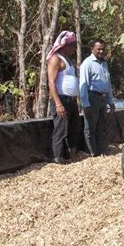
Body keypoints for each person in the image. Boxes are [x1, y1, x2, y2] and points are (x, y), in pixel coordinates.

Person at [47, 30, 80, 164]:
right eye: (72, 45)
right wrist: (58, 104)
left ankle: (72, 155)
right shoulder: (56, 59)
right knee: (60, 130)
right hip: (61, 99)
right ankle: (58, 158)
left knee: (74, 128)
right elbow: (51, 82)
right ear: (64, 45)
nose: (74, 48)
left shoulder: (68, 60)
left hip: (71, 100)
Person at [79, 38, 116, 156]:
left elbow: (108, 84)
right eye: (98, 49)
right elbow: (83, 85)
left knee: (102, 126)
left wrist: (111, 101)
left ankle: (103, 151)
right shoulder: (87, 63)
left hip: (103, 99)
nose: (101, 51)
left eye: (102, 49)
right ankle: (92, 153)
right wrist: (85, 104)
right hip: (92, 98)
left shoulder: (104, 63)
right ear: (92, 49)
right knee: (90, 128)